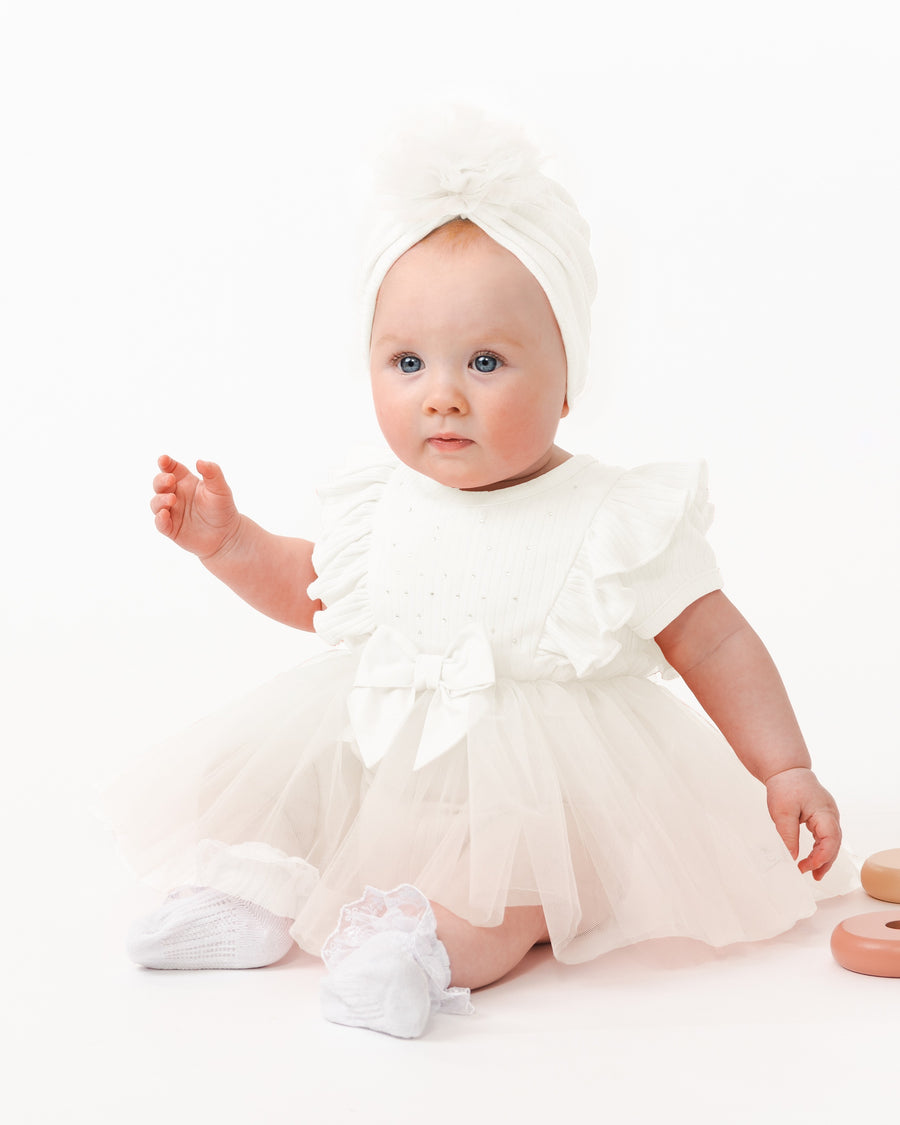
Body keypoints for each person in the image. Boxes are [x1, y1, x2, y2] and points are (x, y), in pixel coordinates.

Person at [105, 109, 856, 1039]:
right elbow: (313, 593)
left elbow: (714, 638)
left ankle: (421, 946)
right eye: (408, 361)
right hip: (382, 760)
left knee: (509, 891)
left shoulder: (611, 517)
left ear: (569, 378)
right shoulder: (382, 504)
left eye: (487, 361)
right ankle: (257, 896)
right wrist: (229, 544)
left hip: (541, 793)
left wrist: (783, 766)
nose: (442, 393)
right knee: (297, 805)